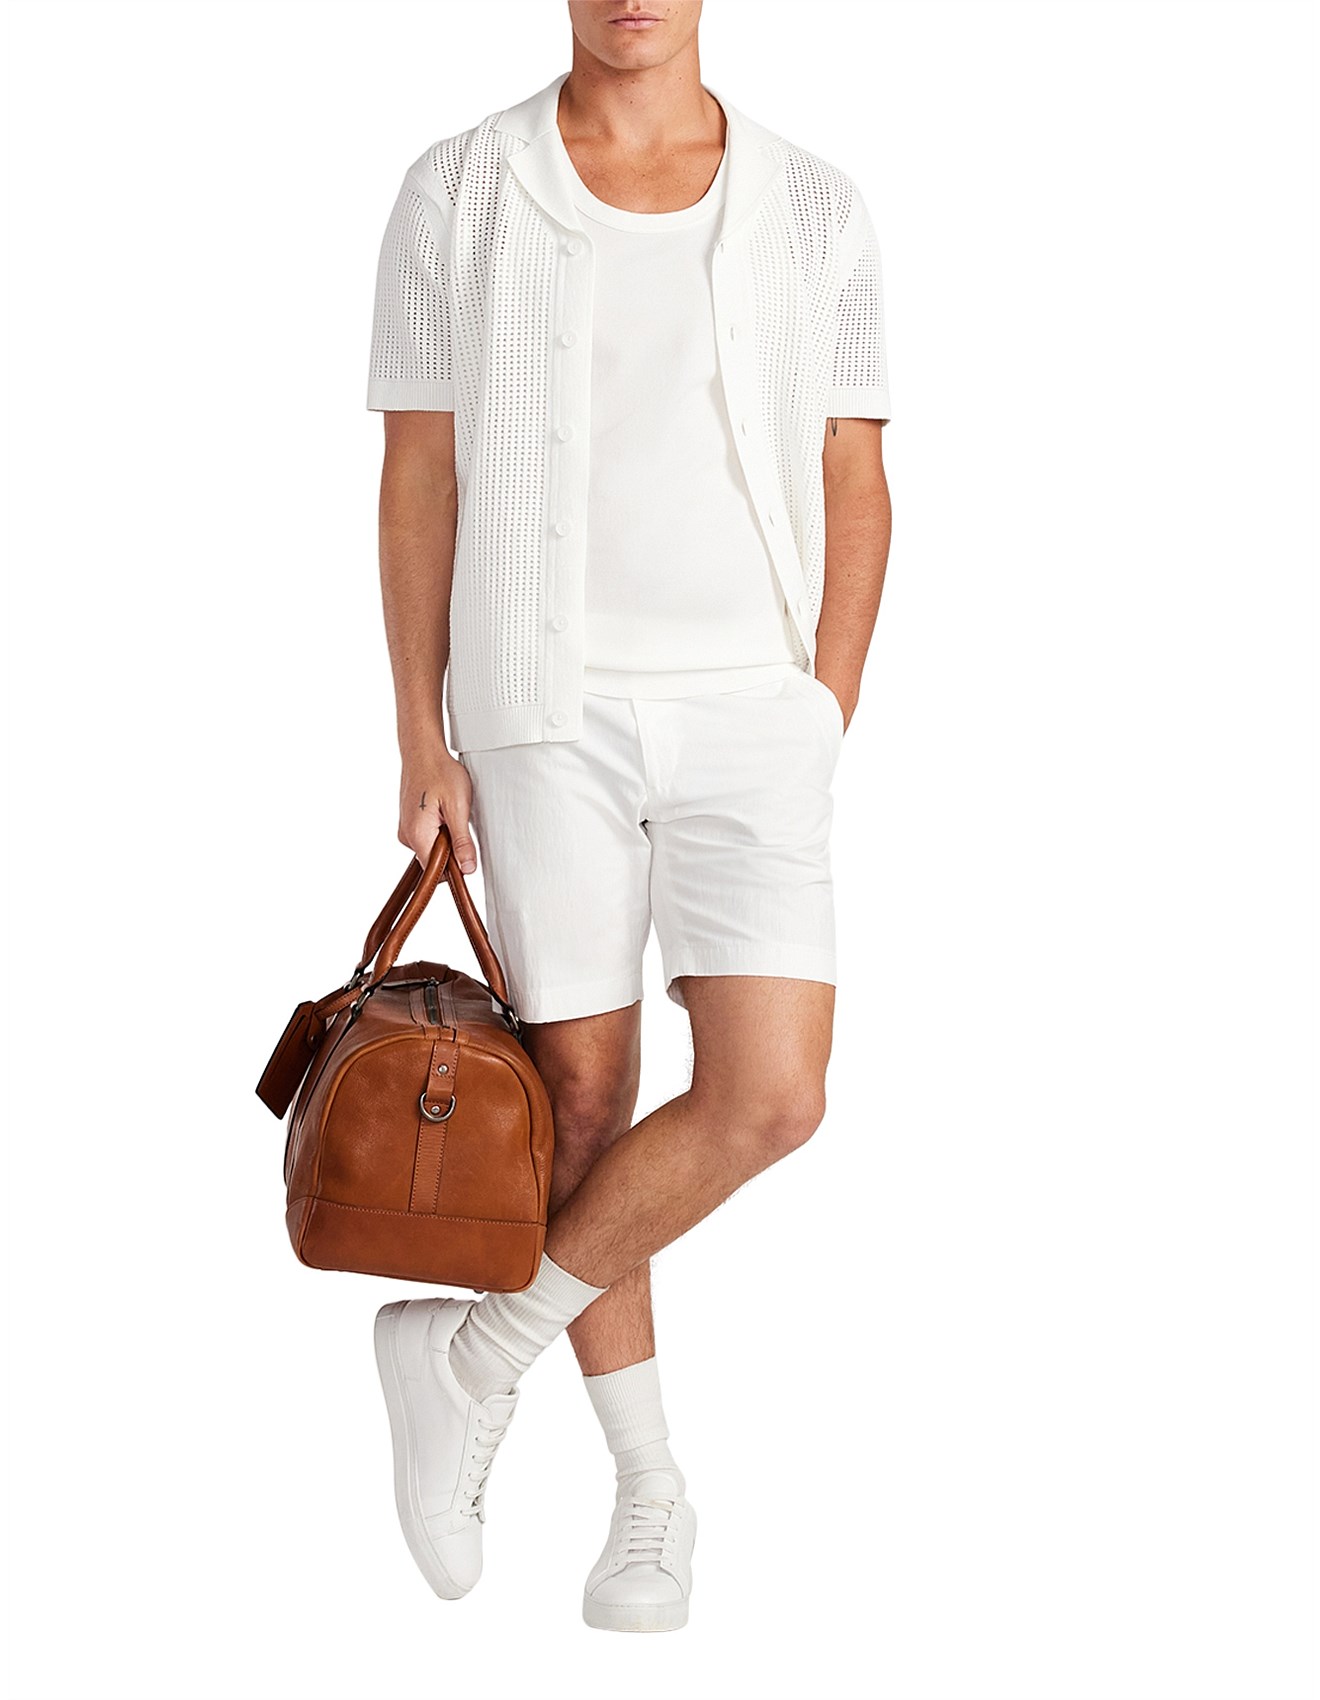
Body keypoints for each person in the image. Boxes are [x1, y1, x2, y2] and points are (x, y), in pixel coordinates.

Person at [364, 0, 891, 1633]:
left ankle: (474, 1353)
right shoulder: (461, 186)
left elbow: (855, 469)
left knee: (773, 1096)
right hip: (544, 711)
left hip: (753, 712)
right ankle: (651, 1493)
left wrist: (822, 704)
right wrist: (421, 734)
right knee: (584, 1106)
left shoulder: (816, 203)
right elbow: (420, 470)